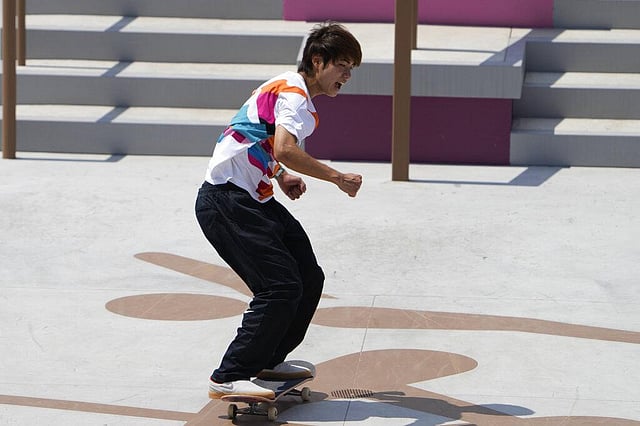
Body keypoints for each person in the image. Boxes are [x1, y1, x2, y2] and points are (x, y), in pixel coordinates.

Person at [195, 22, 363, 398]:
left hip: (250, 197)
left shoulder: (287, 86)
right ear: (318, 61)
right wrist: (337, 177)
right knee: (280, 287)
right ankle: (229, 375)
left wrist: (280, 174)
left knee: (308, 277)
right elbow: (285, 147)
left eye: (351, 69)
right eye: (343, 66)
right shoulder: (295, 95)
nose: (347, 76)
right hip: (227, 201)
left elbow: (256, 137)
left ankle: (268, 360)